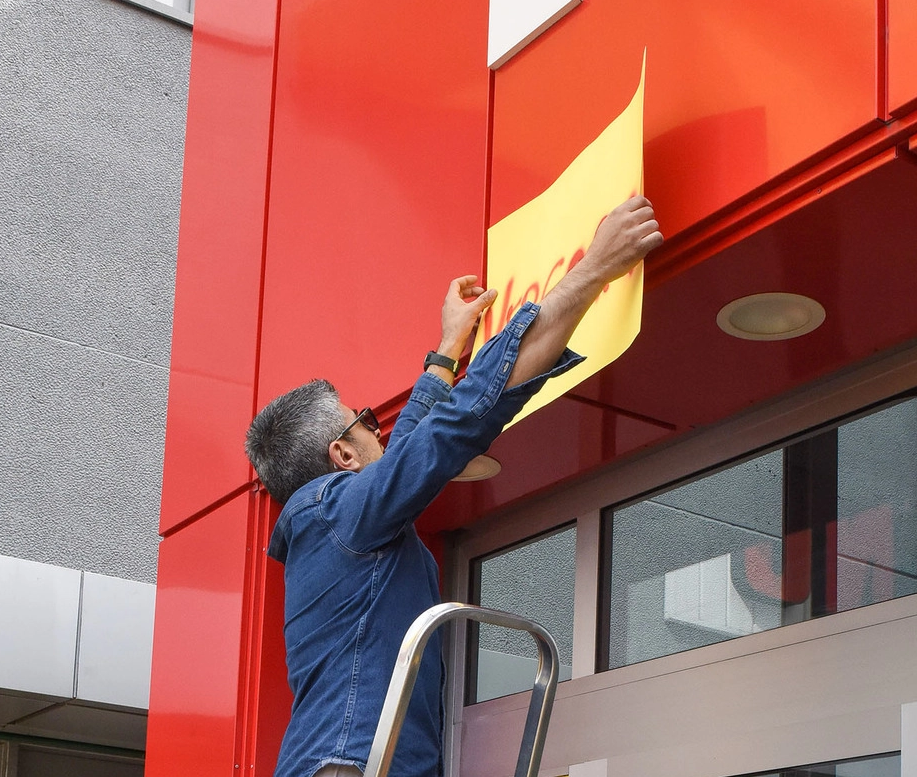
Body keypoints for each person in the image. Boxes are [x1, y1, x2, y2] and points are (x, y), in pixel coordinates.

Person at [244, 195, 663, 777]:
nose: (380, 429)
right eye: (366, 420)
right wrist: (593, 269)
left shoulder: (337, 529)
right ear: (340, 455)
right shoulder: (334, 513)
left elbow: (416, 443)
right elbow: (449, 429)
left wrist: (446, 352)